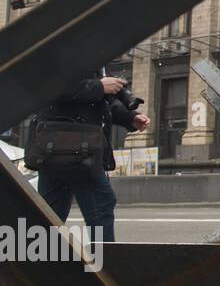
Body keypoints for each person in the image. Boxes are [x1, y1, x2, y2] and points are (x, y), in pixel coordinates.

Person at [33, 71, 150, 244]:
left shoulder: (90, 55)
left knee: (48, 216)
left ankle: (30, 266)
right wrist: (99, 86)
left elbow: (98, 103)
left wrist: (129, 118)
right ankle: (104, 266)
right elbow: (48, 87)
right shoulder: (60, 49)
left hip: (58, 148)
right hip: (77, 148)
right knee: (101, 206)